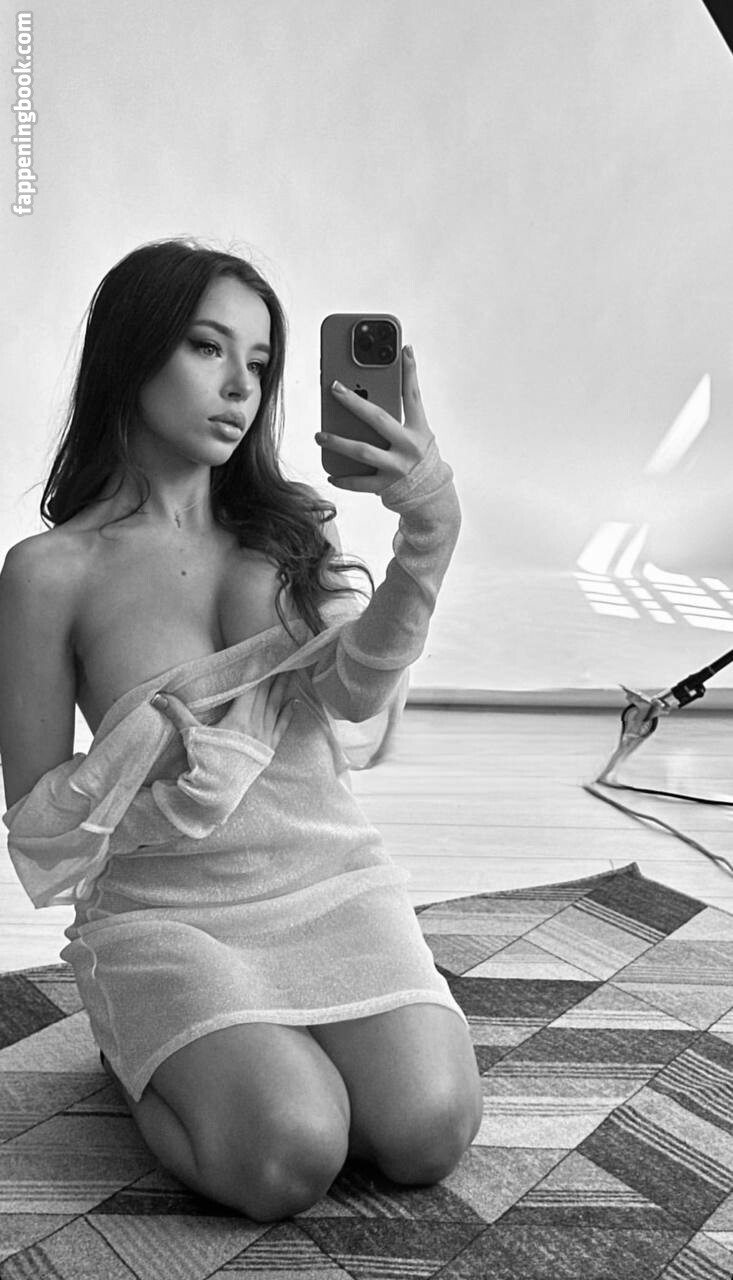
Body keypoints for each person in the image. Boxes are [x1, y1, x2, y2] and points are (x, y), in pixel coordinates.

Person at [0, 238, 483, 1223]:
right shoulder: (51, 572)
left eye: (259, 363)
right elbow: (40, 825)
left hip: (329, 878)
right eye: (207, 348)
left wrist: (429, 524)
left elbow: (355, 695)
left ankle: (227, 1057)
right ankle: (136, 1044)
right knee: (289, 1154)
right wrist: (159, 754)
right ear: (132, 353)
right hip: (167, 913)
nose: (240, 387)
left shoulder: (291, 531)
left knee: (428, 1131)